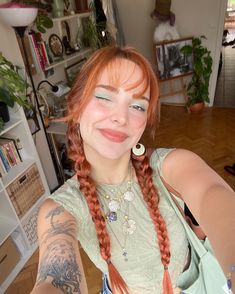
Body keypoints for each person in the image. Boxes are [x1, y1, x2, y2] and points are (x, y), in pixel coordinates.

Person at [31, 46, 235, 294]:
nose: (121, 117)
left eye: (138, 106)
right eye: (104, 97)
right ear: (77, 105)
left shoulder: (170, 166)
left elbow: (215, 197)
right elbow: (55, 281)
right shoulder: (62, 209)